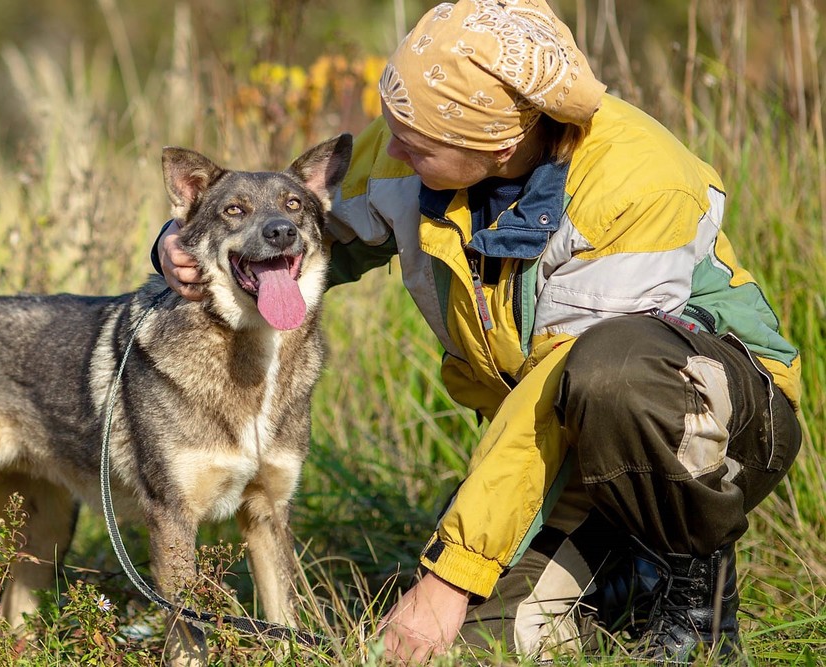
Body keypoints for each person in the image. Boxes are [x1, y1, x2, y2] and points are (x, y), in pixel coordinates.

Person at [153, 1, 803, 663]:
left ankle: (697, 597)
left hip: (708, 420)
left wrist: (448, 576)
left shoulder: (638, 181)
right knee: (493, 641)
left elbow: (556, 391)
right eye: (394, 123)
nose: (392, 149)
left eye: (415, 142)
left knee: (613, 368)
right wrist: (178, 249)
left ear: (495, 144)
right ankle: (620, 573)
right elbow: (302, 242)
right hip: (568, 444)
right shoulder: (425, 137)